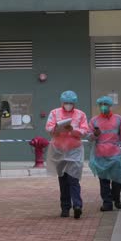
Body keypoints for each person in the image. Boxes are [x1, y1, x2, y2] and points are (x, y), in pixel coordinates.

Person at [45, 90, 89, 219]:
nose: (68, 105)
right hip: (58, 150)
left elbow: (84, 131)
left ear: (74, 103)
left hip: (74, 150)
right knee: (63, 180)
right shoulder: (54, 113)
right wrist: (57, 129)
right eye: (66, 103)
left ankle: (77, 206)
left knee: (73, 179)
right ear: (62, 102)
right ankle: (65, 207)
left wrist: (73, 130)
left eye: (70, 103)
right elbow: (48, 127)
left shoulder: (80, 115)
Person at [88, 96, 121, 211]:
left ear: (110, 105)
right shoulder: (94, 121)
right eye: (101, 104)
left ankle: (116, 198)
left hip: (115, 154)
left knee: (117, 179)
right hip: (100, 154)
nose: (103, 106)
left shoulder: (119, 119)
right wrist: (95, 134)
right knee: (103, 180)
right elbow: (89, 138)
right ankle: (107, 203)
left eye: (105, 104)